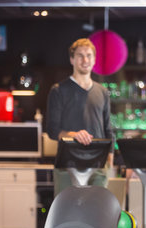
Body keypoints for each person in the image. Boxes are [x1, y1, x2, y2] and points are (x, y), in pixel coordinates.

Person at [46, 38, 113, 196]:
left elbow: (108, 128)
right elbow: (52, 130)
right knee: (67, 214)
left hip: (98, 164)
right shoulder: (58, 91)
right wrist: (73, 135)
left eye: (89, 56)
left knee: (97, 213)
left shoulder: (102, 92)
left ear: (94, 60)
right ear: (72, 59)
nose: (85, 60)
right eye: (80, 56)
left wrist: (110, 159)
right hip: (67, 165)